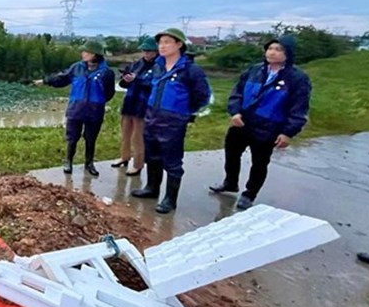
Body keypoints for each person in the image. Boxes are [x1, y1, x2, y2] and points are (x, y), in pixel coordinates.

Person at [209, 35, 312, 210]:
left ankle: (249, 194)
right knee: (231, 153)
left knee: (259, 162)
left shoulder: (297, 78)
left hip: (269, 127)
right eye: (270, 48)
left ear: (288, 53)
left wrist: (288, 132)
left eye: (278, 49)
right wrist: (235, 112)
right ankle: (230, 182)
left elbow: (299, 108)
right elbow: (237, 93)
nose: (272, 52)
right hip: (243, 122)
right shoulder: (254, 70)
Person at [131, 28, 211, 214]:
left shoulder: (190, 70)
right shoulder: (158, 66)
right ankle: (151, 188)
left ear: (179, 44)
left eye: (167, 42)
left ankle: (170, 199)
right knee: (152, 156)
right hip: (152, 117)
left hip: (173, 121)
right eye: (160, 43)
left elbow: (202, 95)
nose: (162, 46)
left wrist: (185, 112)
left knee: (172, 161)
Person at [35, 40, 116, 176]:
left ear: (94, 54)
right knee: (72, 137)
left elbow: (109, 92)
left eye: (86, 52)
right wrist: (46, 81)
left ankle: (89, 163)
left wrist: (98, 101)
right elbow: (62, 78)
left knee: (91, 138)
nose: (83, 54)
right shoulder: (76, 68)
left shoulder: (107, 73)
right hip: (76, 109)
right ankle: (68, 161)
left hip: (95, 111)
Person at [111, 37, 159, 176]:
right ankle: (124, 156)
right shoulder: (136, 64)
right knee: (125, 132)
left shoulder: (159, 67)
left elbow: (154, 84)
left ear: (155, 51)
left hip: (144, 104)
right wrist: (126, 79)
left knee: (138, 136)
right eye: (145, 50)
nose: (146, 53)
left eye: (149, 51)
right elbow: (123, 84)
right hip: (130, 101)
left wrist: (136, 79)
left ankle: (138, 164)